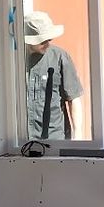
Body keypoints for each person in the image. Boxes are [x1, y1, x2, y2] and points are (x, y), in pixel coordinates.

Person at [23, 11, 82, 142]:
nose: (47, 43)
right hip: (23, 139)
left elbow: (74, 98)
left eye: (49, 39)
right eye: (42, 40)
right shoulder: (15, 61)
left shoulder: (60, 57)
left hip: (54, 137)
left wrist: (78, 136)